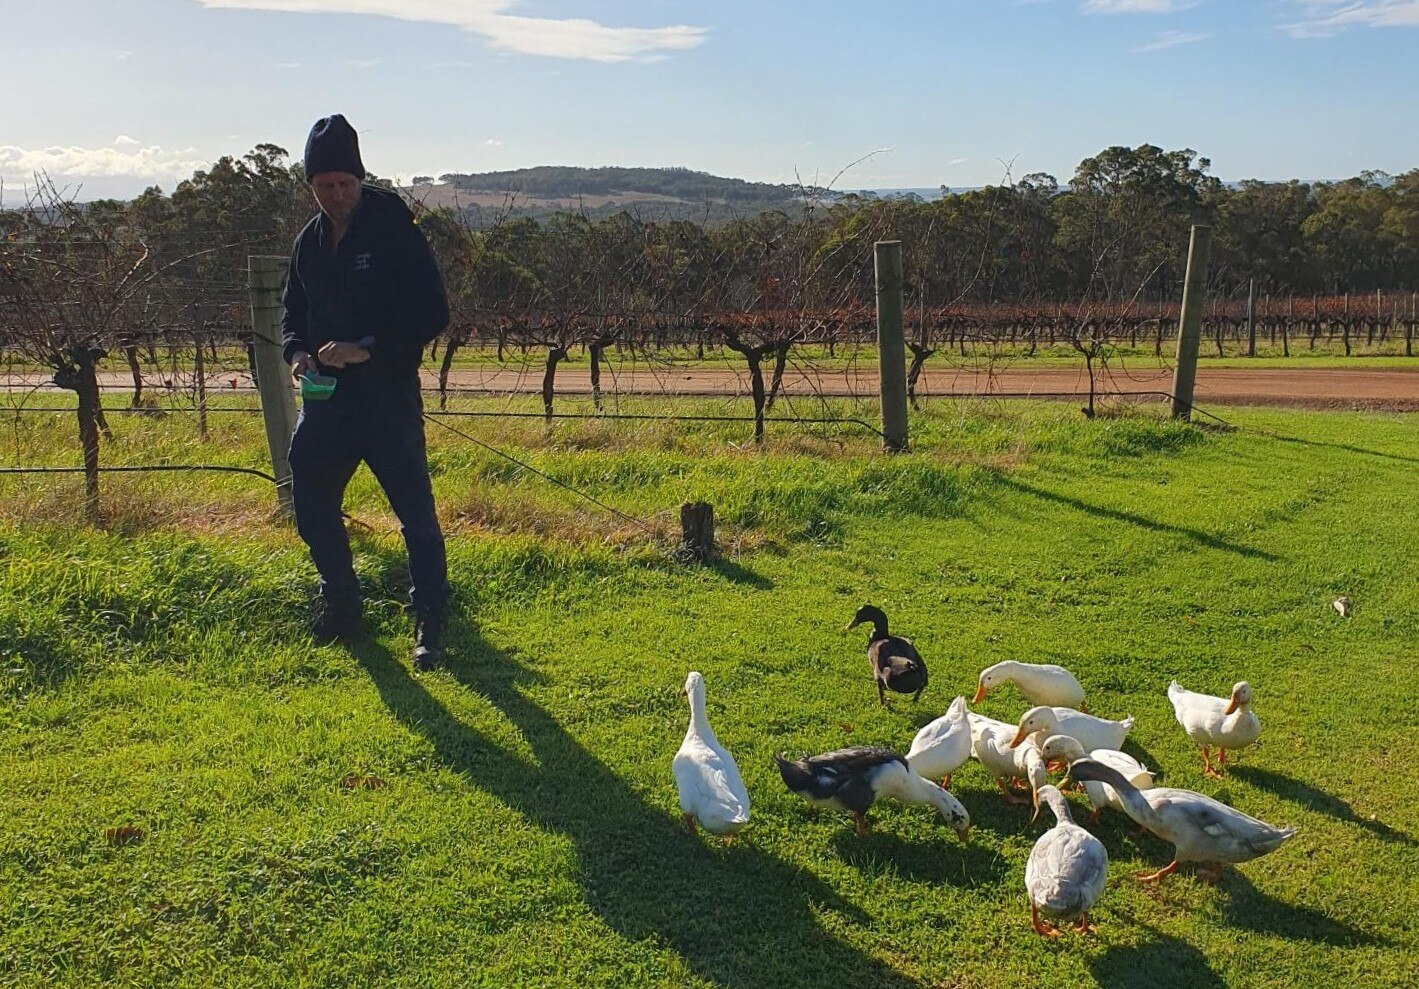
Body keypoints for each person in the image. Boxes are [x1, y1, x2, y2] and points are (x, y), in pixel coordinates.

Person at [280, 113, 451, 671]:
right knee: (311, 501)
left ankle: (430, 616)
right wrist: (298, 353)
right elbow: (293, 314)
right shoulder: (308, 243)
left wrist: (367, 349)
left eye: (345, 184)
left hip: (386, 398)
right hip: (327, 403)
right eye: (324, 186)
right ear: (311, 187)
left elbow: (432, 311)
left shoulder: (393, 226)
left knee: (415, 517)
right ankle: (342, 601)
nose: (336, 195)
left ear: (359, 177)